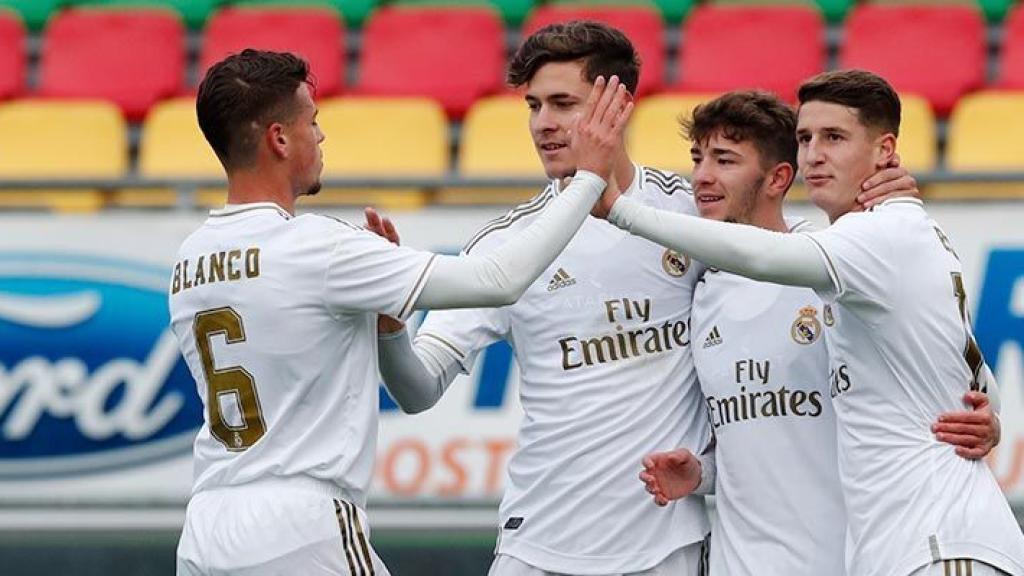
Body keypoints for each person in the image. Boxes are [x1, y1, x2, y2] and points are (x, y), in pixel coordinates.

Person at [371, 25, 917, 576]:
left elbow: (808, 257)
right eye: (534, 106)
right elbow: (416, 391)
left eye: (564, 103)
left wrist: (884, 195)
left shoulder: (691, 214)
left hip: (667, 546)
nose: (543, 123)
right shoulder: (506, 245)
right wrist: (391, 327)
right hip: (537, 543)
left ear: (620, 105)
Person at [168, 48, 632, 575]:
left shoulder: (190, 258)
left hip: (206, 524)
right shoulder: (317, 246)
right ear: (279, 138)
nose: (319, 137)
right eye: (312, 122)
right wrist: (590, 180)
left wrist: (387, 323)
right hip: (299, 521)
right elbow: (499, 279)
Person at [598, 70, 1024, 576]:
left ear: (886, 150)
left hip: (937, 543)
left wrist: (620, 211)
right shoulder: (861, 248)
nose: (814, 155)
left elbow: (764, 257)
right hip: (893, 552)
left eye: (835, 137)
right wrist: (986, 411)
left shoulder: (875, 238)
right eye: (806, 138)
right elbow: (961, 373)